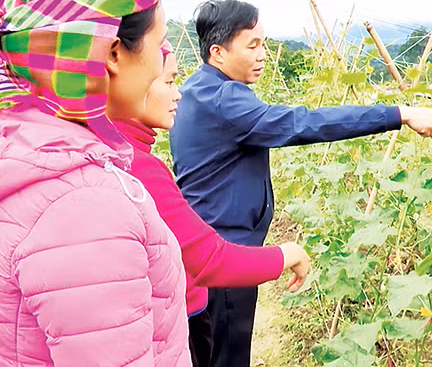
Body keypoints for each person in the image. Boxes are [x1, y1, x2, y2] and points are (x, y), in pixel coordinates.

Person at [170, 0, 432, 366]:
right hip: (226, 257)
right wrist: (398, 113)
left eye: (264, 43)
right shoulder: (226, 98)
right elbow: (304, 123)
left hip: (205, 246)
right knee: (227, 357)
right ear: (218, 52)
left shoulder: (198, 88)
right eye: (252, 45)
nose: (263, 55)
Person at [0, 0, 190, 365]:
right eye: (158, 47)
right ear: (113, 53)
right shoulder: (84, 207)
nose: (162, 68)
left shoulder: (24, 147)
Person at [113, 43, 311, 367]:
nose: (178, 94)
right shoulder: (137, 168)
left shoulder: (111, 149)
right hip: (180, 321)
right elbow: (210, 261)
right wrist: (287, 253)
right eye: (168, 81)